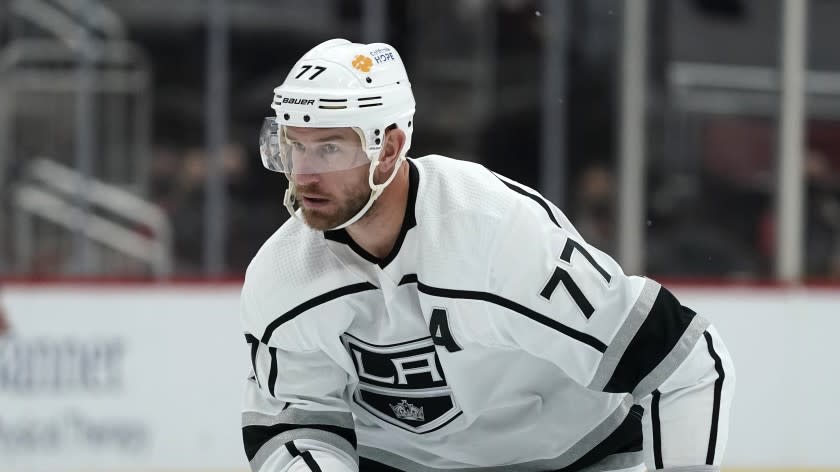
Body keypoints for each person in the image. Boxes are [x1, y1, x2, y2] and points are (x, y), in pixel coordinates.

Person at [240, 39, 735, 472]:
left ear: (389, 149)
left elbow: (688, 365)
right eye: (293, 147)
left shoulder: (496, 235)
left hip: (575, 457)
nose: (303, 174)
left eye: (328, 149)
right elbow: (295, 426)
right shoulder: (283, 277)